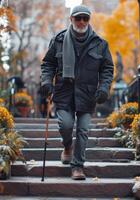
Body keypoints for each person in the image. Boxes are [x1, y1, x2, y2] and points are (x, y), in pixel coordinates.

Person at [40, 5, 114, 180]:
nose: (81, 22)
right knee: (65, 125)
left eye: (85, 18)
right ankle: (67, 147)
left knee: (83, 129)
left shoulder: (100, 44)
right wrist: (46, 81)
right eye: (78, 18)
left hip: (87, 95)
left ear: (89, 20)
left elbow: (107, 69)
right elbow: (48, 64)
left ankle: (77, 167)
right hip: (64, 92)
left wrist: (104, 88)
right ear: (71, 19)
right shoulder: (58, 40)